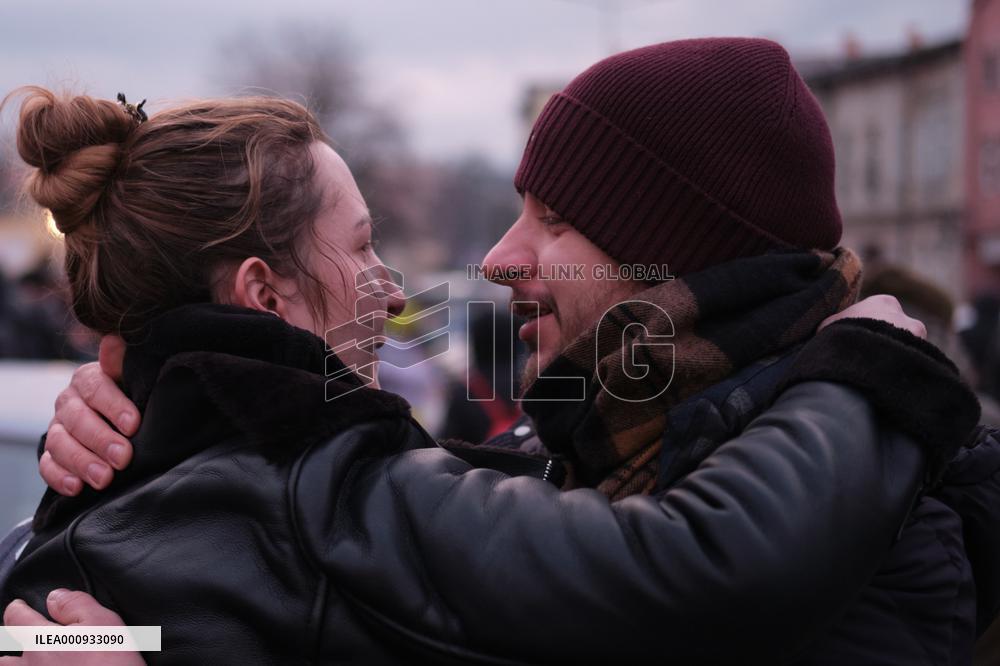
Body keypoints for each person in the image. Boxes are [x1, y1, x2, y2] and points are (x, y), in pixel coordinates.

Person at [1, 39, 986, 665]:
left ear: (671, 255)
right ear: (262, 295)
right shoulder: (339, 485)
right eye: (362, 247)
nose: (493, 259)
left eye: (554, 219)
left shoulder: (869, 531)